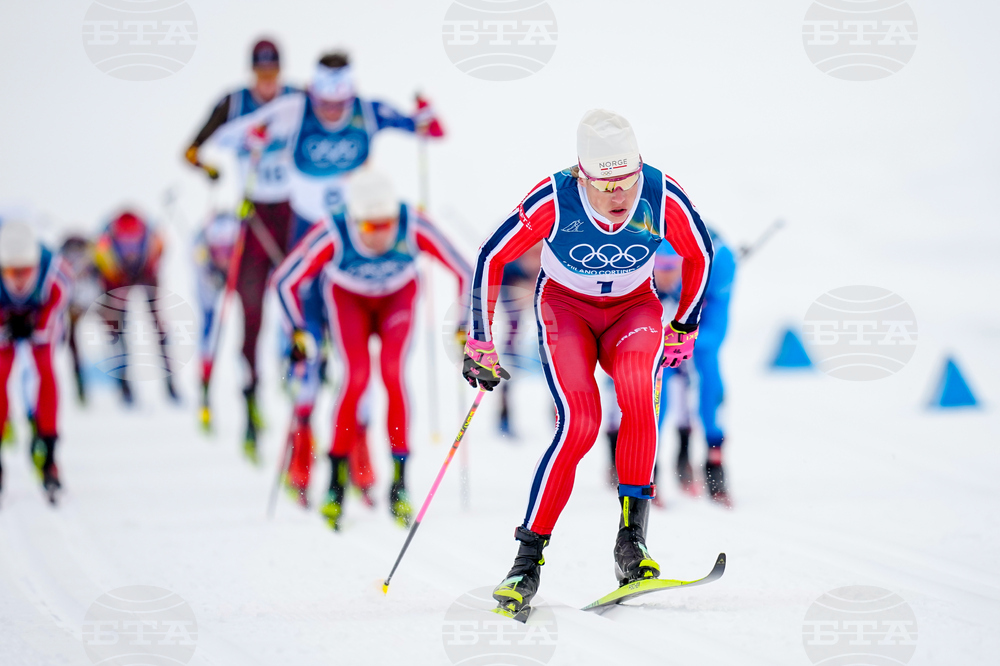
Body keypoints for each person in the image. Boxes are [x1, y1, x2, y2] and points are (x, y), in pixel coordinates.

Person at [462, 110, 714, 617]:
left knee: (638, 395)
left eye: (628, 181)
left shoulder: (660, 194)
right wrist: (480, 340)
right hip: (565, 310)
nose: (620, 195)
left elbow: (700, 254)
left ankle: (631, 546)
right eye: (607, 186)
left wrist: (684, 324)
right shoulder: (554, 197)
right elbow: (491, 255)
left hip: (633, 309)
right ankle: (525, 565)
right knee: (580, 423)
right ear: (583, 176)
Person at [207, 50, 444, 462]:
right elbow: (226, 138)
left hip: (351, 240)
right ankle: (301, 442)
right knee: (308, 344)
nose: (332, 112)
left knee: (358, 360)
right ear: (312, 92)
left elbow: (433, 131)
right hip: (307, 237)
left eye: (340, 103)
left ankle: (357, 450)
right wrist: (254, 139)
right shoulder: (292, 108)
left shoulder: (368, 111)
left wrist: (426, 114)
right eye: (324, 103)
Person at [271, 169, 471, 529]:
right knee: (356, 378)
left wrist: (464, 325)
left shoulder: (413, 224)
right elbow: (285, 280)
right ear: (354, 219)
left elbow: (466, 270)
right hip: (349, 299)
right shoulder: (334, 231)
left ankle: (399, 485)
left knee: (393, 374)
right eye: (368, 226)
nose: (379, 234)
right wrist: (297, 330)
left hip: (397, 297)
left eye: (386, 224)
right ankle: (335, 485)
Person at [184, 38, 300, 458]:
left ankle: (299, 376)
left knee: (299, 297)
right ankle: (251, 400)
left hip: (293, 213)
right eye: (261, 74)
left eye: (273, 73)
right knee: (251, 314)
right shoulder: (233, 103)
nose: (267, 82)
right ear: (253, 72)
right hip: (252, 217)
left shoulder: (297, 99)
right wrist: (210, 170)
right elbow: (191, 151)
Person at [604, 228, 736, 507]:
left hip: (696, 320)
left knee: (709, 378)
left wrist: (682, 339)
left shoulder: (720, 266)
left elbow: (716, 332)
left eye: (671, 267)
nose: (664, 276)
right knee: (652, 388)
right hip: (654, 316)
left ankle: (714, 466)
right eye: (659, 267)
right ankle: (644, 469)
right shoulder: (632, 259)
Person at [0, 221, 70, 502]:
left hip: (41, 316)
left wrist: (37, 327)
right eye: (11, 272)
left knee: (45, 370)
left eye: (25, 271)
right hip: (5, 317)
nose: (18, 280)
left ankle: (49, 452)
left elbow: (55, 314)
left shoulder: (55, 275)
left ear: (36, 267)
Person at [91, 210, 173, 404]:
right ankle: (123, 385)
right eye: (125, 243)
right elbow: (103, 276)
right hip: (117, 278)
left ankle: (171, 383)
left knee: (158, 325)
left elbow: (161, 253)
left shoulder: (153, 243)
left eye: (133, 242)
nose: (130, 250)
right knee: (116, 329)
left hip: (145, 273)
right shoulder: (105, 252)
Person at [192, 212, 241, 430]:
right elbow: (205, 300)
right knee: (209, 331)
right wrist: (214, 280)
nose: (224, 257)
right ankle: (204, 389)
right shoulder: (200, 254)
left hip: (240, 275)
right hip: (209, 282)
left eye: (228, 251)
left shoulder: (242, 247)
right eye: (219, 251)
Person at [496, 242, 543, 437]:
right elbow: (511, 300)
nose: (534, 258)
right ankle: (505, 415)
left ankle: (557, 414)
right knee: (510, 358)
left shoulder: (553, 258)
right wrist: (525, 291)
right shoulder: (510, 266)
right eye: (531, 253)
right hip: (515, 322)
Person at [59, 234, 101, 404]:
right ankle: (80, 387)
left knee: (115, 330)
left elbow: (101, 288)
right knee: (71, 342)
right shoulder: (62, 270)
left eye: (79, 254)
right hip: (73, 307)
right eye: (72, 254)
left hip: (93, 302)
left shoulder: (95, 266)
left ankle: (123, 383)